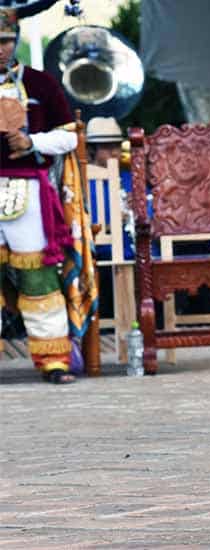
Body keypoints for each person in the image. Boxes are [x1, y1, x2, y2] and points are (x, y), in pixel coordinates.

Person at [0, 8, 77, 383]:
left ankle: (53, 359)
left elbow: (71, 136)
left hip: (27, 189)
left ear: (15, 41)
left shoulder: (41, 83)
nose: (0, 49)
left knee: (38, 276)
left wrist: (32, 141)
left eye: (5, 41)